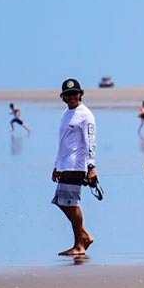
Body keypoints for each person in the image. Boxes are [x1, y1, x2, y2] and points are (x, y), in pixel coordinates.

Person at [51, 78, 98, 257]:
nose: (72, 97)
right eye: (68, 94)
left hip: (77, 165)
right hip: (64, 165)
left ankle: (79, 245)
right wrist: (57, 166)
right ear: (63, 97)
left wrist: (91, 166)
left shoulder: (86, 115)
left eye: (75, 94)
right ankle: (84, 236)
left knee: (72, 203)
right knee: (60, 202)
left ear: (80, 94)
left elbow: (91, 141)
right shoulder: (66, 113)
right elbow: (62, 142)